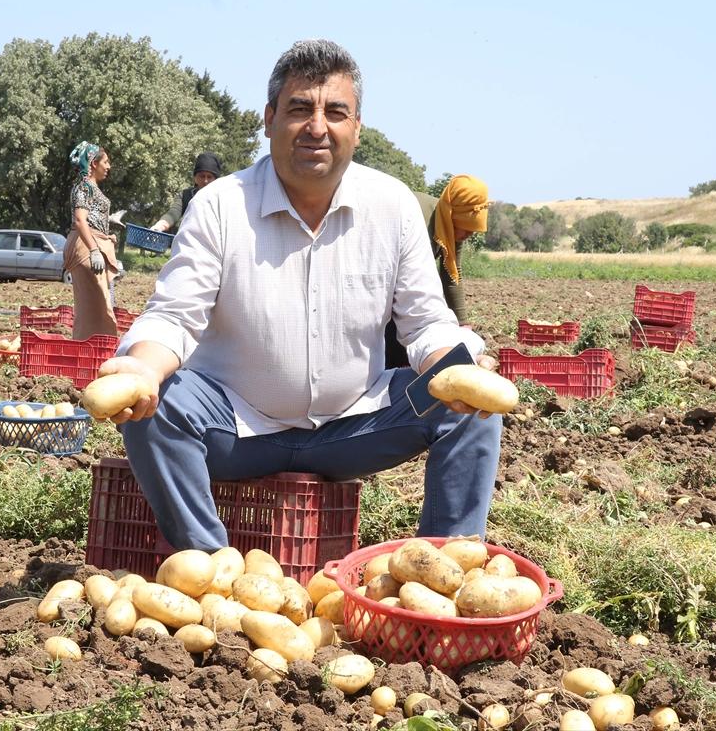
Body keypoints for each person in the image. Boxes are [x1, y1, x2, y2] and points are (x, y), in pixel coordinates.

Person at [96, 40, 503, 552]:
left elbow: (424, 325)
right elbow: (175, 315)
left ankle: (446, 567)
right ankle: (208, 566)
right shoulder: (219, 205)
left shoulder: (392, 205)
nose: (317, 127)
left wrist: (456, 368)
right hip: (235, 427)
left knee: (469, 406)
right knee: (155, 402)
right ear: (269, 120)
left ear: (356, 126)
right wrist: (142, 369)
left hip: (355, 425)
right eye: (298, 109)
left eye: (335, 111)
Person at [384, 176, 489, 368]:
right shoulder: (416, 217)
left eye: (471, 232)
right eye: (465, 230)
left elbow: (452, 274)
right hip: (387, 284)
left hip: (405, 289)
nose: (467, 236)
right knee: (392, 343)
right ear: (452, 216)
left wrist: (462, 323)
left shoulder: (450, 227)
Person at [64, 141, 120, 339]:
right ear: (93, 164)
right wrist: (95, 250)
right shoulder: (84, 187)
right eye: (105, 162)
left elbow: (90, 216)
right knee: (95, 308)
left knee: (101, 305)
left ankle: (98, 349)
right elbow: (80, 221)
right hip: (87, 248)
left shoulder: (91, 187)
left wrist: (108, 222)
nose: (108, 167)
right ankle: (89, 350)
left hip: (95, 243)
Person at [149, 152, 224, 233]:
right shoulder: (185, 195)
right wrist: (159, 226)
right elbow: (173, 213)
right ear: (195, 178)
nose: (205, 181)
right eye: (202, 176)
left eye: (209, 177)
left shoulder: (222, 199)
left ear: (216, 180)